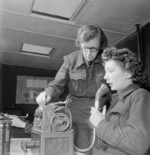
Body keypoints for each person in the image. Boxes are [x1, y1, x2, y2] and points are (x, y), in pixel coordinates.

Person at [36, 25, 110, 155]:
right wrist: (46, 94)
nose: (88, 54)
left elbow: (115, 90)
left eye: (93, 49)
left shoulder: (107, 61)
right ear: (80, 44)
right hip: (74, 114)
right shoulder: (70, 60)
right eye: (85, 48)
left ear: (101, 46)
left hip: (100, 114)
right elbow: (56, 85)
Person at [89, 47, 150, 155]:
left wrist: (101, 124)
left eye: (110, 71)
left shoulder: (140, 95)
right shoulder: (116, 100)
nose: (105, 77)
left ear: (128, 73)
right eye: (105, 71)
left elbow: (138, 144)